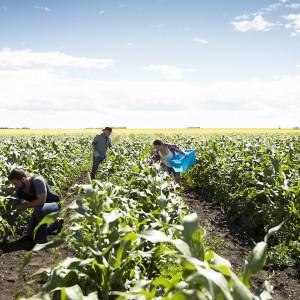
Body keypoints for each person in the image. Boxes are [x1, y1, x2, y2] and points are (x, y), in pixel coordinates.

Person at [8, 168, 63, 244]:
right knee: (30, 234)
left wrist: (24, 206)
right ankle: (56, 224)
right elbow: (15, 207)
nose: (15, 186)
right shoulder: (20, 190)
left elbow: (41, 201)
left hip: (53, 205)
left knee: (38, 209)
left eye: (16, 183)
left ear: (23, 179)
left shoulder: (37, 181)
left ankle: (42, 237)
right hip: (40, 209)